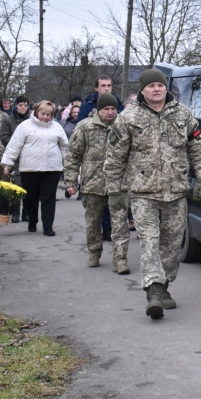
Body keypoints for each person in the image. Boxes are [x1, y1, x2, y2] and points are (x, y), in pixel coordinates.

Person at [105, 69, 201, 320]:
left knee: (172, 247)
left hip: (176, 192)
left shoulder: (183, 114)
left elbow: (198, 147)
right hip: (143, 193)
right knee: (150, 241)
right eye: (151, 86)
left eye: (160, 85)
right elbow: (115, 158)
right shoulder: (127, 118)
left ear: (166, 88)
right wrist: (114, 191)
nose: (156, 89)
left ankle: (164, 287)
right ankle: (153, 290)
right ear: (142, 90)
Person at [64, 93, 130, 273]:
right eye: (106, 109)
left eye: (113, 109)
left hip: (119, 184)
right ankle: (94, 252)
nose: (110, 112)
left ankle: (120, 259)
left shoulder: (124, 126)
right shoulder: (85, 127)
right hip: (92, 184)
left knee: (120, 223)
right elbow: (72, 155)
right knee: (93, 222)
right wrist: (70, 181)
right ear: (98, 110)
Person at [1, 101, 68, 236]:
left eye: (48, 115)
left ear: (52, 115)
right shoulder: (25, 126)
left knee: (48, 197)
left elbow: (65, 147)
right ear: (36, 112)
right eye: (42, 114)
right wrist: (8, 163)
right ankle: (32, 221)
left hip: (52, 168)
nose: (45, 117)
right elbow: (14, 146)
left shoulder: (57, 127)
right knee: (31, 196)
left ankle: (48, 226)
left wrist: (69, 165)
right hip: (30, 168)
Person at [0, 96, 31, 223]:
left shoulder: (32, 120)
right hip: (15, 158)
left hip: (30, 157)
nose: (23, 107)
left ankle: (26, 212)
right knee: (16, 185)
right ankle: (15, 211)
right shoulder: (8, 120)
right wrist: (16, 145)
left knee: (29, 186)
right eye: (20, 105)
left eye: (25, 105)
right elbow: (4, 137)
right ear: (16, 106)